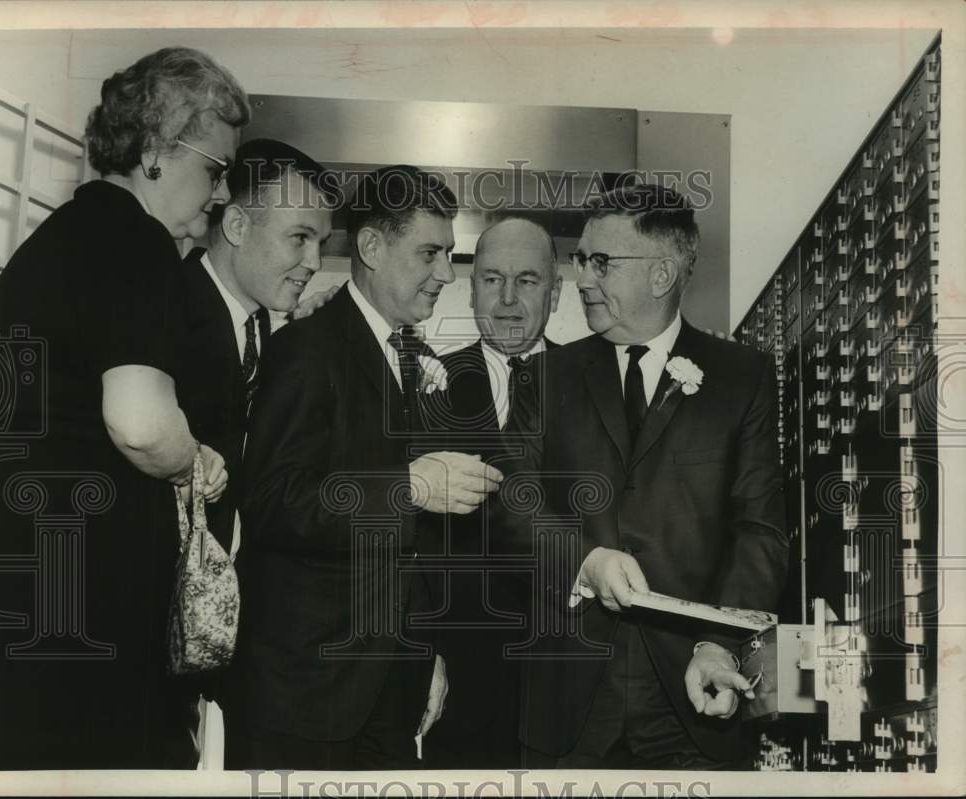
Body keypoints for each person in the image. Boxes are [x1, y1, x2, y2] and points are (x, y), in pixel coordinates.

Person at [0, 47, 249, 769]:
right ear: (155, 150)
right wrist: (198, 459)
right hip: (100, 605)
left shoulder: (48, 246)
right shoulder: (136, 241)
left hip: (33, 591)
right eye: (216, 169)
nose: (221, 194)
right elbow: (138, 422)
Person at [500, 183, 788, 769]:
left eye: (601, 262)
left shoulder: (741, 378)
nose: (582, 279)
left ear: (661, 275)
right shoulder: (543, 377)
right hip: (568, 705)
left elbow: (759, 529)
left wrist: (717, 644)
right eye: (581, 260)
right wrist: (585, 559)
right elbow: (511, 499)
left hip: (693, 697)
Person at [226, 165, 504, 770]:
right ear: (372, 247)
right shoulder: (303, 348)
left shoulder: (411, 360)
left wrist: (428, 655)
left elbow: (416, 547)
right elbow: (275, 501)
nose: (444, 274)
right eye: (429, 253)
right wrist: (411, 485)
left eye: (449, 255)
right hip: (302, 695)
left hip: (393, 693)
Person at [178, 138, 334, 767]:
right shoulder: (166, 312)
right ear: (236, 224)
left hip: (223, 650)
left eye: (321, 242)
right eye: (300, 237)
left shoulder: (272, 336)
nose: (313, 260)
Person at [426, 217, 560, 768]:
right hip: (464, 672)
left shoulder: (596, 384)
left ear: (554, 293)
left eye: (527, 282)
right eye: (491, 280)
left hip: (569, 673)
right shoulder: (425, 381)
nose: (507, 300)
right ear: (472, 284)